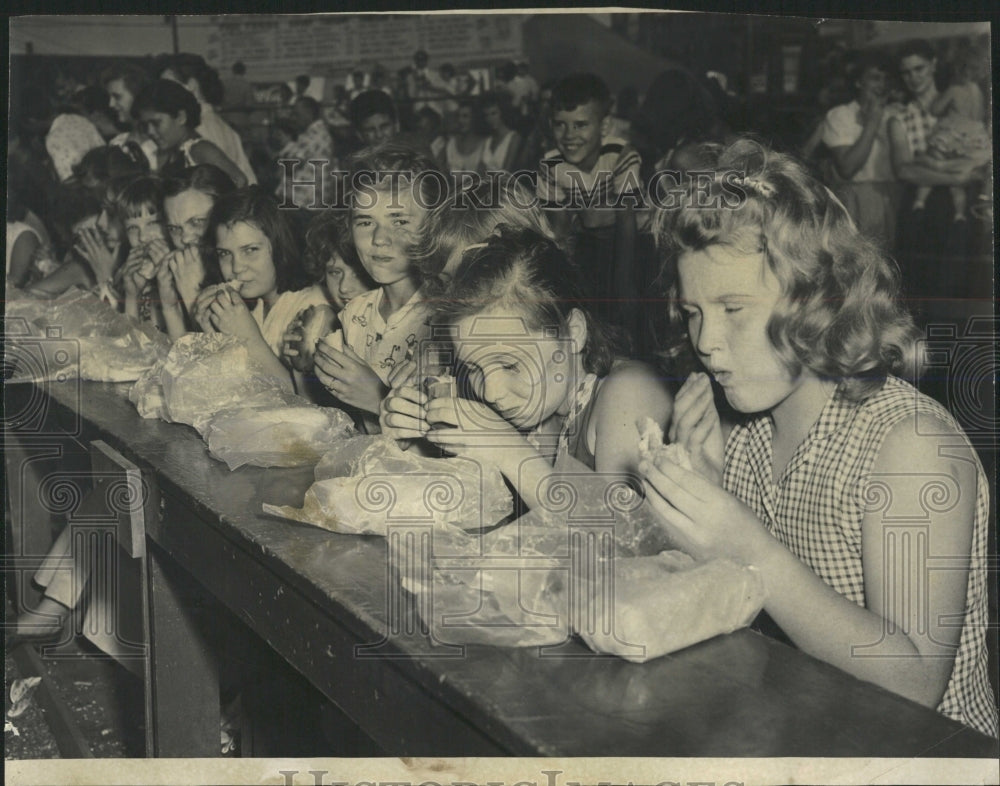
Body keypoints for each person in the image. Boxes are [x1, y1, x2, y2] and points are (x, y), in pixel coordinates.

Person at [643, 138, 998, 739]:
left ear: (818, 299)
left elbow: (914, 684)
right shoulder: (745, 429)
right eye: (693, 311)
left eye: (733, 308)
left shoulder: (909, 445)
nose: (704, 342)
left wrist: (742, 542)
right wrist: (701, 511)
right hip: (810, 730)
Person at [380, 227, 673, 514]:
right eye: (474, 368)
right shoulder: (544, 408)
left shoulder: (630, 392)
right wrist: (416, 444)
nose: (491, 392)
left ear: (573, 334)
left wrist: (509, 450)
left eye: (510, 364)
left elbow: (619, 540)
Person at [312, 145, 445, 429]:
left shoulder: (446, 320)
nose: (379, 238)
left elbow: (456, 448)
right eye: (364, 221)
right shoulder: (356, 312)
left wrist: (378, 399)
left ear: (433, 226)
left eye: (399, 220)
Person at [193, 186, 328, 394]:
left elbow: (304, 402)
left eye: (250, 250)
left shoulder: (313, 308)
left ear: (281, 246)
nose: (236, 267)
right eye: (224, 254)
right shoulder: (257, 306)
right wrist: (214, 336)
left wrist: (249, 337)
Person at [537, 73, 641, 333]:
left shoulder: (622, 156)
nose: (569, 135)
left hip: (630, 241)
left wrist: (624, 287)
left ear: (604, 127)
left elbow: (627, 222)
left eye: (581, 125)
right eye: (560, 124)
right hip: (588, 241)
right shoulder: (550, 164)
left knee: (627, 311)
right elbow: (559, 229)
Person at [886, 39, 983, 306]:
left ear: (933, 66)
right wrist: (955, 176)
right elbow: (904, 170)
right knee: (923, 290)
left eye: (919, 69)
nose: (913, 78)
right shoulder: (900, 118)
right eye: (906, 72)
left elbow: (980, 155)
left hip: (962, 207)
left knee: (963, 289)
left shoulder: (961, 103)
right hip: (922, 208)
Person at [821, 52, 899, 249]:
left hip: (892, 197)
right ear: (858, 82)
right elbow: (848, 168)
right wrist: (873, 122)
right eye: (874, 78)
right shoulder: (841, 115)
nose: (881, 85)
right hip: (856, 201)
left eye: (886, 79)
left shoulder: (896, 115)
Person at [156, 53, 258, 184]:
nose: (164, 95)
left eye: (169, 86)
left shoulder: (200, 126)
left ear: (191, 85)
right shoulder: (215, 122)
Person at [914, 47, 991, 221]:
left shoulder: (954, 89)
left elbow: (935, 110)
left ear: (957, 69)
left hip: (953, 135)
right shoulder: (977, 91)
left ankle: (920, 200)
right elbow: (980, 115)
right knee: (958, 181)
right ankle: (959, 213)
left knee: (932, 165)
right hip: (973, 138)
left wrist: (937, 100)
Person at [159, 164, 238, 326]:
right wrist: (170, 308)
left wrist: (193, 297)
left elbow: (226, 351)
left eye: (197, 222)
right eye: (174, 229)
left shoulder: (243, 274)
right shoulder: (184, 273)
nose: (185, 238)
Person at [131, 79, 248, 187]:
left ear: (181, 117)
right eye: (145, 125)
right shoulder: (173, 152)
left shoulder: (200, 149)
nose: (150, 131)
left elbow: (239, 181)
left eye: (156, 123)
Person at [274, 96, 335, 210]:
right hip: (311, 199)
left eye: (297, 114)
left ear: (309, 113)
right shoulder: (321, 132)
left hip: (305, 201)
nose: (293, 118)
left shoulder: (313, 134)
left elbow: (290, 165)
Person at [101, 62, 159, 171]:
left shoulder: (161, 144)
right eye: (109, 98)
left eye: (117, 97)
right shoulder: (117, 144)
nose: (111, 104)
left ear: (138, 96)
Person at [478, 92, 522, 175]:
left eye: (494, 113)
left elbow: (507, 172)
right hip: (486, 186)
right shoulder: (487, 141)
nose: (490, 119)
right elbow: (479, 172)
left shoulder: (514, 138)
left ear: (502, 112)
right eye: (486, 115)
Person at [442, 99, 485, 174]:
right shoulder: (451, 143)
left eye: (465, 116)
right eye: (459, 116)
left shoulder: (484, 144)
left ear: (475, 118)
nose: (460, 120)